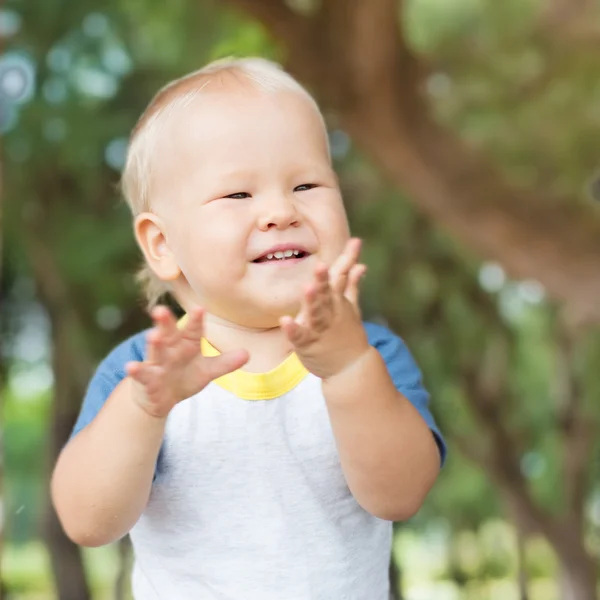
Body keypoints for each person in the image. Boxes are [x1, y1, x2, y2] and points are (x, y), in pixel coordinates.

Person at [51, 57, 446, 600]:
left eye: (307, 184)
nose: (281, 212)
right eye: (239, 195)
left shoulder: (371, 352)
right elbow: (87, 523)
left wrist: (349, 369)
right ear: (162, 245)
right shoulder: (142, 372)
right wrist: (145, 409)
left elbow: (399, 495)